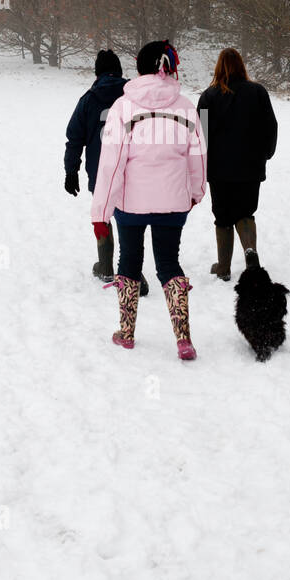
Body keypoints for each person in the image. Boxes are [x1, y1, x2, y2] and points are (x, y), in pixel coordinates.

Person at [91, 40, 206, 359]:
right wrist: (195, 192)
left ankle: (126, 332)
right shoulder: (185, 106)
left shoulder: (122, 108)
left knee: (129, 259)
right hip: (173, 202)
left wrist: (101, 211)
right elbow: (198, 154)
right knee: (169, 262)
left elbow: (111, 164)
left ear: (139, 67)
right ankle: (183, 337)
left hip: (131, 205)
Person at [64, 49, 148, 291]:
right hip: (133, 166)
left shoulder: (88, 99)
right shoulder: (135, 97)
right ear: (120, 71)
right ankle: (133, 271)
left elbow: (74, 138)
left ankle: (105, 266)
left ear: (97, 72)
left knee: (103, 214)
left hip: (100, 169)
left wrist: (71, 171)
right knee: (128, 217)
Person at [197, 48, 278, 281]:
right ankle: (250, 252)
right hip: (250, 166)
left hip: (219, 169)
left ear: (218, 67)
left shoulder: (209, 96)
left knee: (222, 217)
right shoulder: (258, 92)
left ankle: (223, 267)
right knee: (246, 212)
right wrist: (266, 153)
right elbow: (270, 126)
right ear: (242, 66)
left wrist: (201, 164)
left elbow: (200, 135)